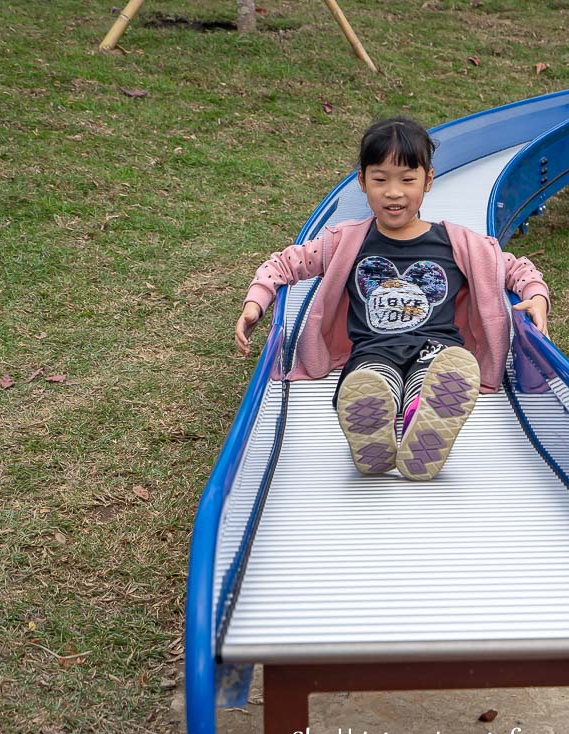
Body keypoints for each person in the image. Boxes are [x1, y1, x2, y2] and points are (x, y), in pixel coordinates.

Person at [234, 116, 550, 480]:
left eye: (407, 179)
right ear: (362, 182)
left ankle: (423, 426)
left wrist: (536, 295)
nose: (394, 192)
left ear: (428, 181)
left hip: (438, 348)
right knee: (369, 382)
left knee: (436, 377)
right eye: (380, 179)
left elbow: (513, 267)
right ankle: (373, 433)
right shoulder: (345, 241)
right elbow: (286, 263)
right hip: (373, 349)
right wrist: (256, 302)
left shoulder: (455, 242)